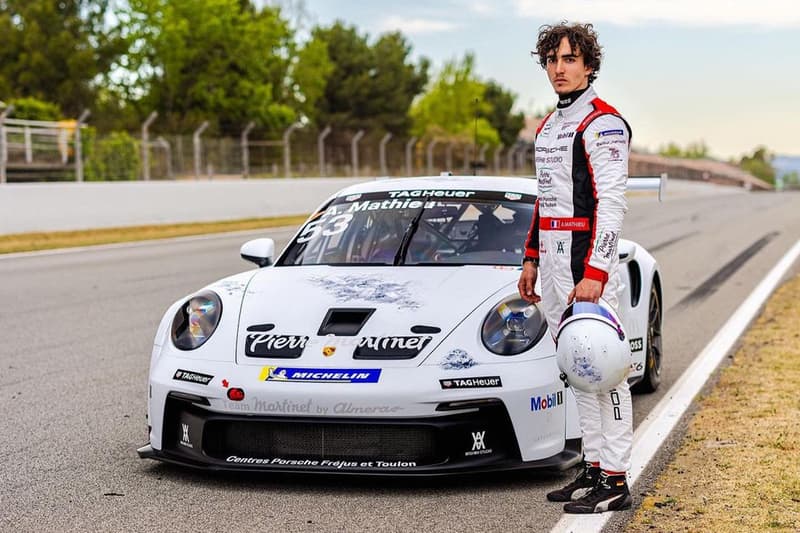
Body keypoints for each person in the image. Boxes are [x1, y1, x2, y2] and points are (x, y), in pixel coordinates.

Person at [518, 21, 633, 514]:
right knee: (577, 368)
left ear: (589, 65)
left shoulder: (603, 123)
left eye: (569, 59)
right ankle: (592, 466)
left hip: (588, 267)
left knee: (606, 369)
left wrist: (598, 271)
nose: (559, 69)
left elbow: (611, 205)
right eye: (552, 60)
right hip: (553, 264)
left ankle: (618, 477)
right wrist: (529, 259)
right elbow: (544, 203)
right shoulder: (548, 125)